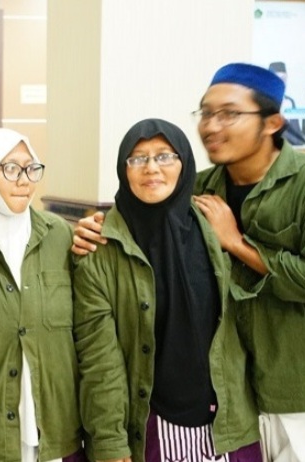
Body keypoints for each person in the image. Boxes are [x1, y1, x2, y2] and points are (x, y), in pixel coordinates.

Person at [73, 63, 305, 461]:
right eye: (206, 112)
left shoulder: (299, 183)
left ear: (272, 123)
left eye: (229, 113)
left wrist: (237, 244)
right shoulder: (201, 188)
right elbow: (151, 210)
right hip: (233, 398)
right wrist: (94, 228)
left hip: (292, 388)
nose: (211, 126)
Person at [74, 119, 260, 462]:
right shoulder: (100, 248)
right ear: (123, 169)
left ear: (184, 163)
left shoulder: (216, 227)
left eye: (164, 156)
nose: (151, 168)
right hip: (153, 426)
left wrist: (235, 241)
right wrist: (111, 443)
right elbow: (100, 361)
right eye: (137, 159)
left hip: (229, 423)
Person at [0, 128, 83, 462]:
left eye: (31, 168)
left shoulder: (59, 235)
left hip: (55, 434)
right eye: (10, 168)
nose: (24, 180)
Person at [267, 61, 305, 145]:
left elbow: (295, 132)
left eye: (284, 78)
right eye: (278, 78)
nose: (282, 81)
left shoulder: (290, 101)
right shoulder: (264, 99)